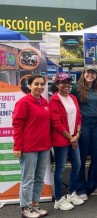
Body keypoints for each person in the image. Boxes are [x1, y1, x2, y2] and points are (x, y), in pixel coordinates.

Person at [12, 74, 51, 218]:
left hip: (44, 147)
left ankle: (35, 205)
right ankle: (25, 208)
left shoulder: (45, 102)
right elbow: (17, 125)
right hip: (28, 147)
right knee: (27, 179)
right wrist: (17, 146)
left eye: (42, 84)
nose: (40, 87)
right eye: (36, 84)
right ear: (29, 85)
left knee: (39, 178)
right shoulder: (24, 102)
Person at [70, 65, 97, 200]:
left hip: (95, 124)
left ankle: (93, 186)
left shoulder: (96, 89)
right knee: (82, 156)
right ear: (83, 74)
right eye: (88, 72)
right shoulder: (76, 88)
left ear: (96, 75)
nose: (90, 75)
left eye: (93, 73)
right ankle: (80, 188)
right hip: (83, 123)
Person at [49, 72, 84, 211]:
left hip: (74, 138)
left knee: (78, 165)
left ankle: (71, 193)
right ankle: (58, 199)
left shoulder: (73, 98)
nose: (66, 85)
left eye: (68, 82)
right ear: (57, 85)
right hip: (61, 140)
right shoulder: (54, 100)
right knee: (60, 169)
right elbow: (56, 123)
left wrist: (77, 134)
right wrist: (71, 138)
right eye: (63, 82)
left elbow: (79, 117)